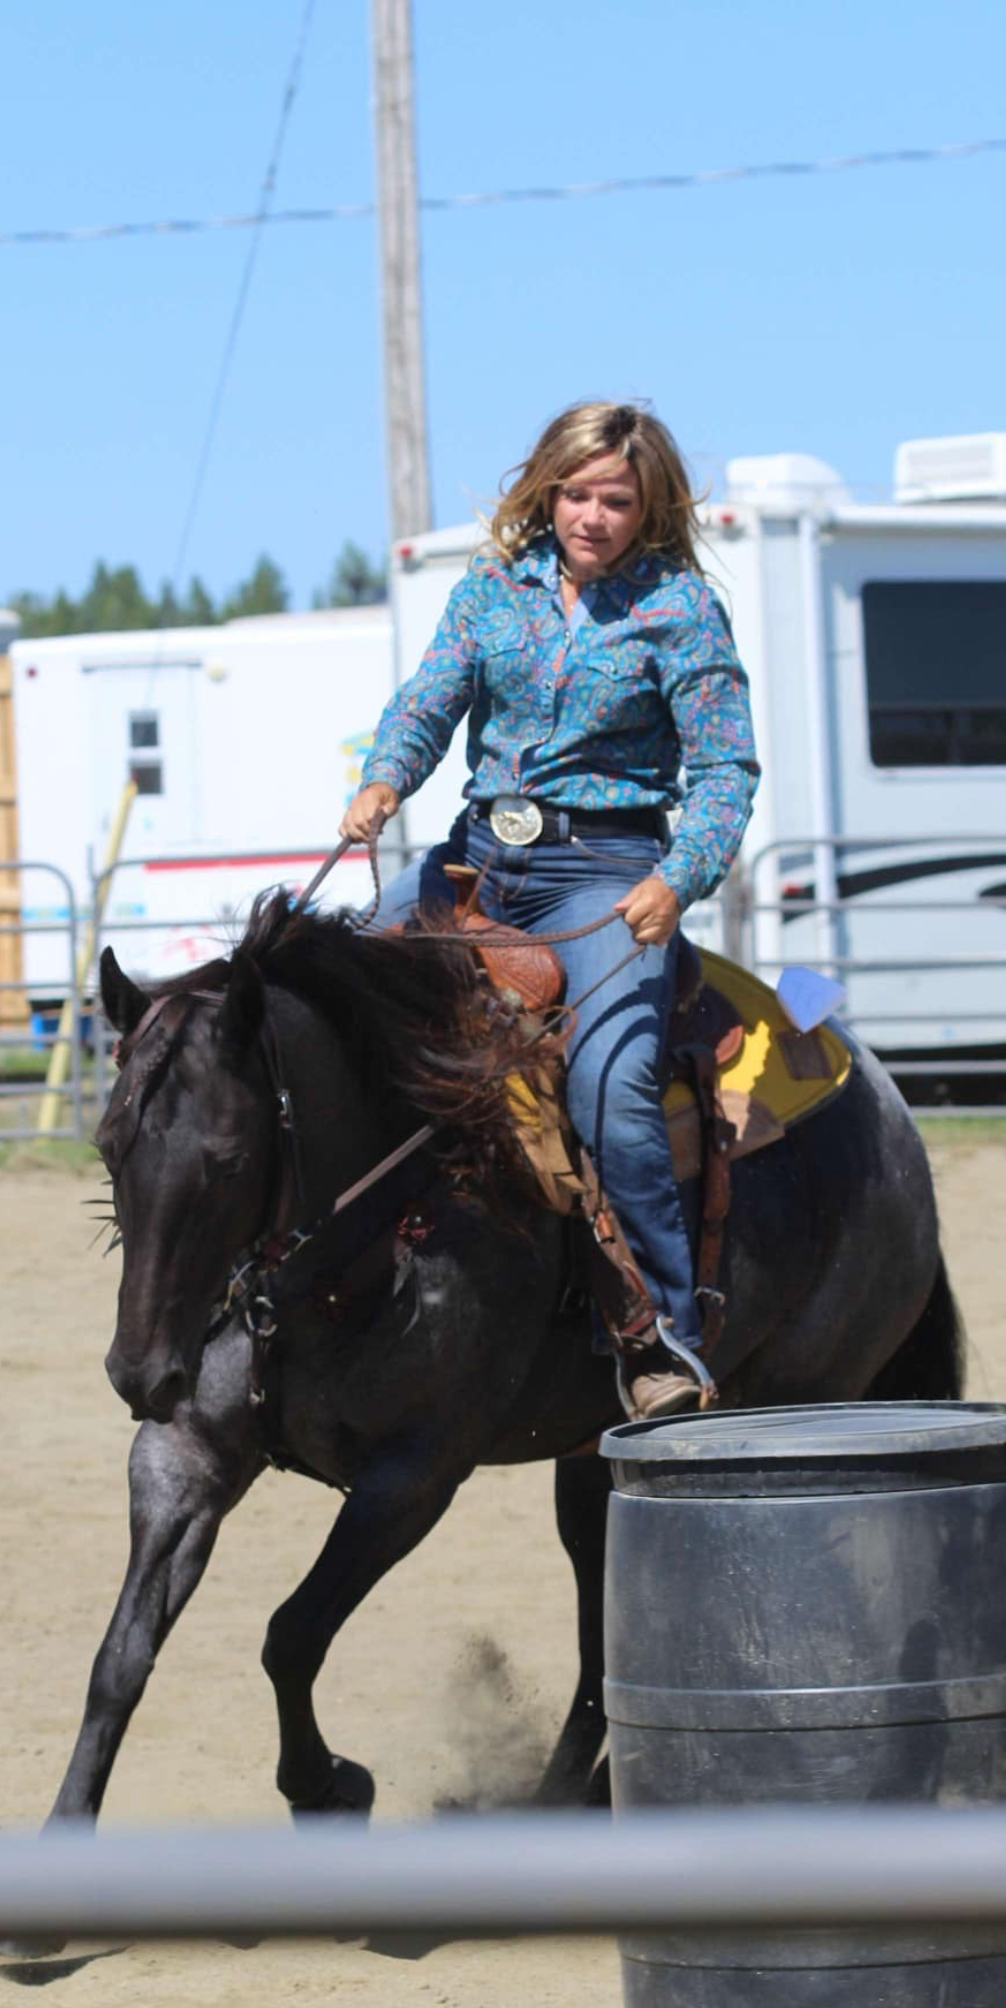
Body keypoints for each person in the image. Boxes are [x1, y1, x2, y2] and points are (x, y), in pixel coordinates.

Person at [340, 400, 760, 1418]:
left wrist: (681, 873)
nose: (593, 515)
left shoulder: (680, 610)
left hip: (605, 870)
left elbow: (722, 767)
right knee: (335, 1008)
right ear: (546, 489)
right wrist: (384, 778)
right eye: (576, 493)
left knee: (611, 1085)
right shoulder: (494, 585)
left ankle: (661, 1338)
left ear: (648, 505)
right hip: (478, 855)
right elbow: (431, 697)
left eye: (616, 498)